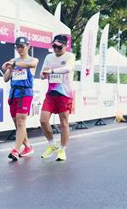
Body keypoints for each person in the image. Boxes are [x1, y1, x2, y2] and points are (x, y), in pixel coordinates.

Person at [40, 34, 76, 162]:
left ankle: (62, 149)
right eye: (53, 46)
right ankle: (52, 144)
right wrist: (43, 75)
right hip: (51, 93)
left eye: (59, 47)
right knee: (43, 120)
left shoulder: (70, 56)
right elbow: (43, 72)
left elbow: (68, 69)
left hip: (64, 94)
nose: (55, 49)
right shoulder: (49, 57)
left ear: (66, 46)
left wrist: (52, 72)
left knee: (64, 123)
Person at [2, 37, 39, 161]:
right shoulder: (13, 60)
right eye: (17, 46)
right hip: (14, 93)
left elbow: (31, 64)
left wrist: (12, 64)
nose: (20, 49)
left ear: (28, 46)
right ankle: (28, 146)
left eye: (22, 46)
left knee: (21, 122)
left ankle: (16, 150)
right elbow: (6, 78)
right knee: (17, 124)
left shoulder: (33, 60)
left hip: (26, 93)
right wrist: (10, 68)